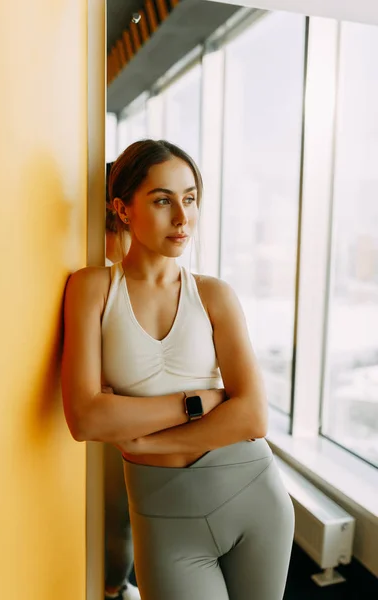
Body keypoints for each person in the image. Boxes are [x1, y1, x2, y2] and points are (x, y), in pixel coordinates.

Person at [61, 140, 295, 600]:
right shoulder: (90, 290)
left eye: (189, 199)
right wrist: (201, 403)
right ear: (122, 209)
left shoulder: (214, 295)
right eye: (163, 200)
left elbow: (252, 417)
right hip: (163, 513)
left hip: (253, 494)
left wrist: (149, 440)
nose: (183, 218)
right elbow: (86, 418)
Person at [103, 161, 139, 600]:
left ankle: (116, 586)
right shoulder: (100, 283)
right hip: (121, 432)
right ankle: (115, 587)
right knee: (120, 515)